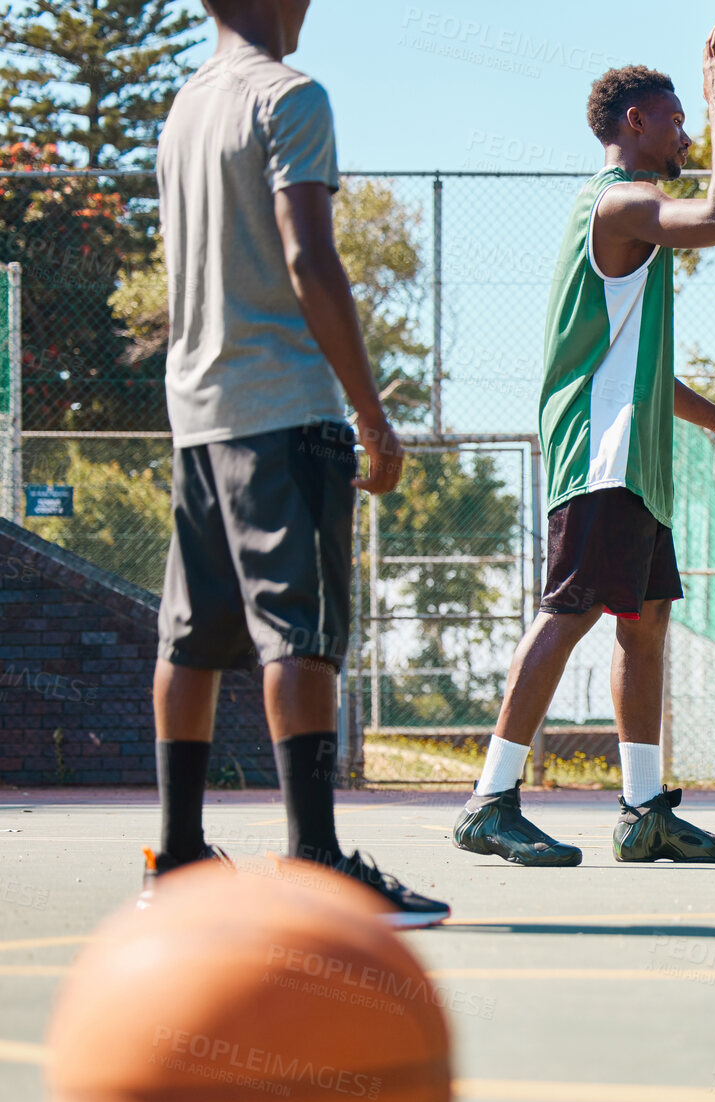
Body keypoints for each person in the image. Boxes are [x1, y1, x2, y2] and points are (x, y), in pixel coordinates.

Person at [145, 0, 449, 927]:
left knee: (189, 639)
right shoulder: (289, 96)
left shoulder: (185, 107)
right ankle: (315, 860)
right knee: (300, 633)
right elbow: (308, 254)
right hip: (283, 407)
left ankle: (181, 854)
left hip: (198, 413)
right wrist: (370, 409)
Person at [452, 24, 715, 867]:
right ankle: (489, 800)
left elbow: (639, 362)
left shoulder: (628, 212)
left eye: (688, 121)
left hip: (633, 453)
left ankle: (643, 811)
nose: (684, 136)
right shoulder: (619, 202)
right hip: (599, 452)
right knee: (566, 612)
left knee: (644, 623)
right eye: (675, 121)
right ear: (635, 122)